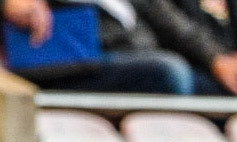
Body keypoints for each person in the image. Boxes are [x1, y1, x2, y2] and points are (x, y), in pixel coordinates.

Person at [3, 0, 195, 93]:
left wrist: (215, 59)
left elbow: (175, 24)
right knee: (171, 72)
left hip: (133, 54)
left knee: (206, 84)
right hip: (64, 62)